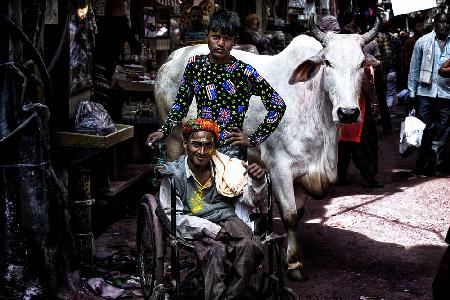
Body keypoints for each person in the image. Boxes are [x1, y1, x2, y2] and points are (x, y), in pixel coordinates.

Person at [147, 9, 286, 160]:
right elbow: (181, 104)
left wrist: (253, 139)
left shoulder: (244, 72)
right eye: (216, 37)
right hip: (201, 147)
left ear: (235, 41)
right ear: (207, 35)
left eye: (227, 39)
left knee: (229, 185)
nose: (220, 43)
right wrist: (164, 130)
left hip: (231, 153)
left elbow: (278, 104)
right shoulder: (195, 66)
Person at [158, 118, 267, 300]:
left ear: (214, 147)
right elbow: (171, 215)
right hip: (194, 222)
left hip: (226, 216)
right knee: (215, 252)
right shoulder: (173, 175)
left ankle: (229, 296)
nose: (202, 151)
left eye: (208, 145)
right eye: (196, 144)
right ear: (185, 144)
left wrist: (257, 181)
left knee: (251, 246)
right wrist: (212, 230)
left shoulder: (225, 168)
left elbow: (251, 200)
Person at [337, 23, 383, 188]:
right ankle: (368, 177)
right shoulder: (357, 57)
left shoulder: (338, 58)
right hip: (359, 106)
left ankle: (340, 176)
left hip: (341, 107)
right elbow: (365, 82)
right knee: (367, 143)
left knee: (342, 144)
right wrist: (375, 101)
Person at [408, 12, 450, 176]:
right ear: (435, 24)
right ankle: (425, 160)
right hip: (425, 93)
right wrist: (412, 93)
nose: (445, 26)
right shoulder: (422, 42)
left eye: (447, 23)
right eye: (442, 23)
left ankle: (437, 162)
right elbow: (414, 68)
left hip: (446, 94)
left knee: (443, 129)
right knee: (425, 129)